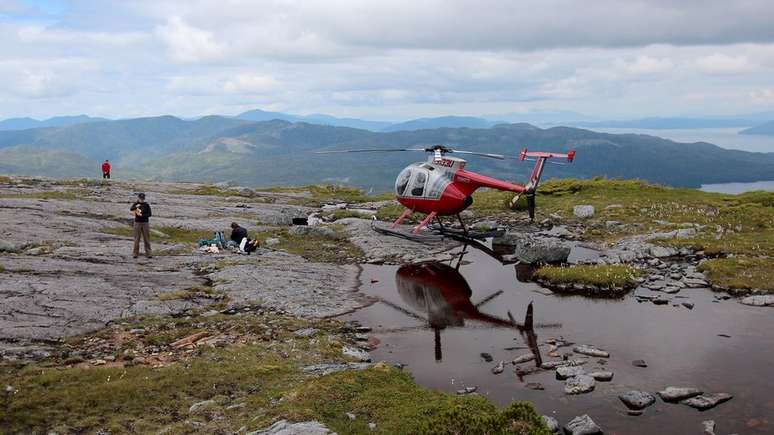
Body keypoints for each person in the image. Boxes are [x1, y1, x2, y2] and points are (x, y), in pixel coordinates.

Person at [130, 193, 152, 259]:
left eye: (142, 198)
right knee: (137, 239)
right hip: (137, 223)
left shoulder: (147, 205)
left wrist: (142, 215)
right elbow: (131, 209)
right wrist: (136, 204)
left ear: (144, 198)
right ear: (138, 198)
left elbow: (150, 214)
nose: (142, 199)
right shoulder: (136, 204)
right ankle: (135, 253)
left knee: (146, 239)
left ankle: (148, 253)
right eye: (140, 198)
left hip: (145, 223)